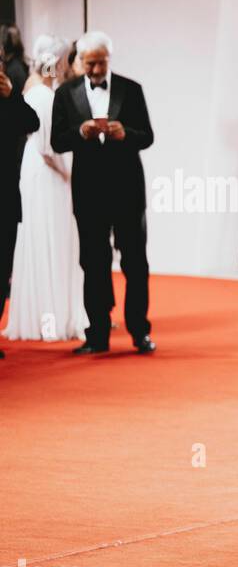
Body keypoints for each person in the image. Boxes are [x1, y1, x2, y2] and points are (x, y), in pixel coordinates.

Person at [50, 31, 155, 355]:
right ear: (80, 62)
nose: (96, 71)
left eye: (101, 63)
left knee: (135, 264)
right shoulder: (66, 93)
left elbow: (148, 136)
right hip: (89, 191)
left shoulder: (131, 89)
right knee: (93, 264)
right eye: (90, 64)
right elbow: (57, 142)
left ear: (109, 60)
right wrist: (79, 132)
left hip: (127, 190)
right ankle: (97, 335)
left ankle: (140, 332)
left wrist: (127, 134)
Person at [3, 35, 87, 345]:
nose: (66, 67)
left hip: (35, 171)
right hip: (47, 176)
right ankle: (52, 316)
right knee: (51, 236)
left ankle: (43, 313)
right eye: (65, 61)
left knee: (42, 238)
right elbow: (47, 148)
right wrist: (68, 175)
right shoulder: (43, 95)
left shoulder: (32, 88)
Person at [0, 54, 41, 360]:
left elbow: (32, 123)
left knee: (2, 270)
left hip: (4, 197)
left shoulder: (8, 101)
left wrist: (12, 95)